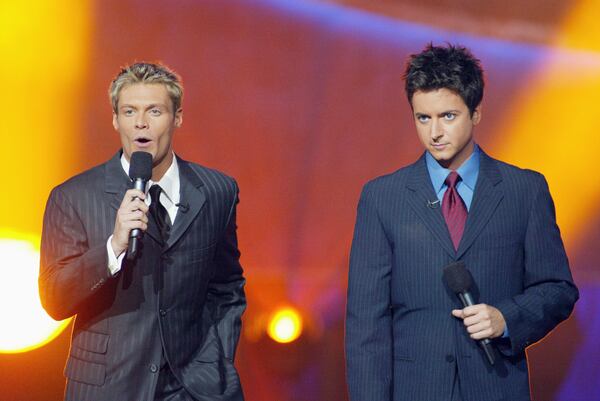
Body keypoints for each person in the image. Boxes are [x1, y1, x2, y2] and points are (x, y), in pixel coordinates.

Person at [345, 43, 578, 401]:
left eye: (448, 116)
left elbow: (558, 289)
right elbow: (366, 324)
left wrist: (506, 318)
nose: (435, 132)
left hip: (496, 386)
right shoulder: (382, 198)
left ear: (476, 113)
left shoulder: (524, 190)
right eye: (424, 118)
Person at [39, 62, 246, 401]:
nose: (141, 122)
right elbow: (55, 299)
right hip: (109, 386)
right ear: (115, 120)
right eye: (129, 111)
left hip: (196, 387)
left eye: (155, 111)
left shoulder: (217, 190)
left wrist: (217, 360)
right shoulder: (73, 196)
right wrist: (113, 247)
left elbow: (226, 286)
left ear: (177, 117)